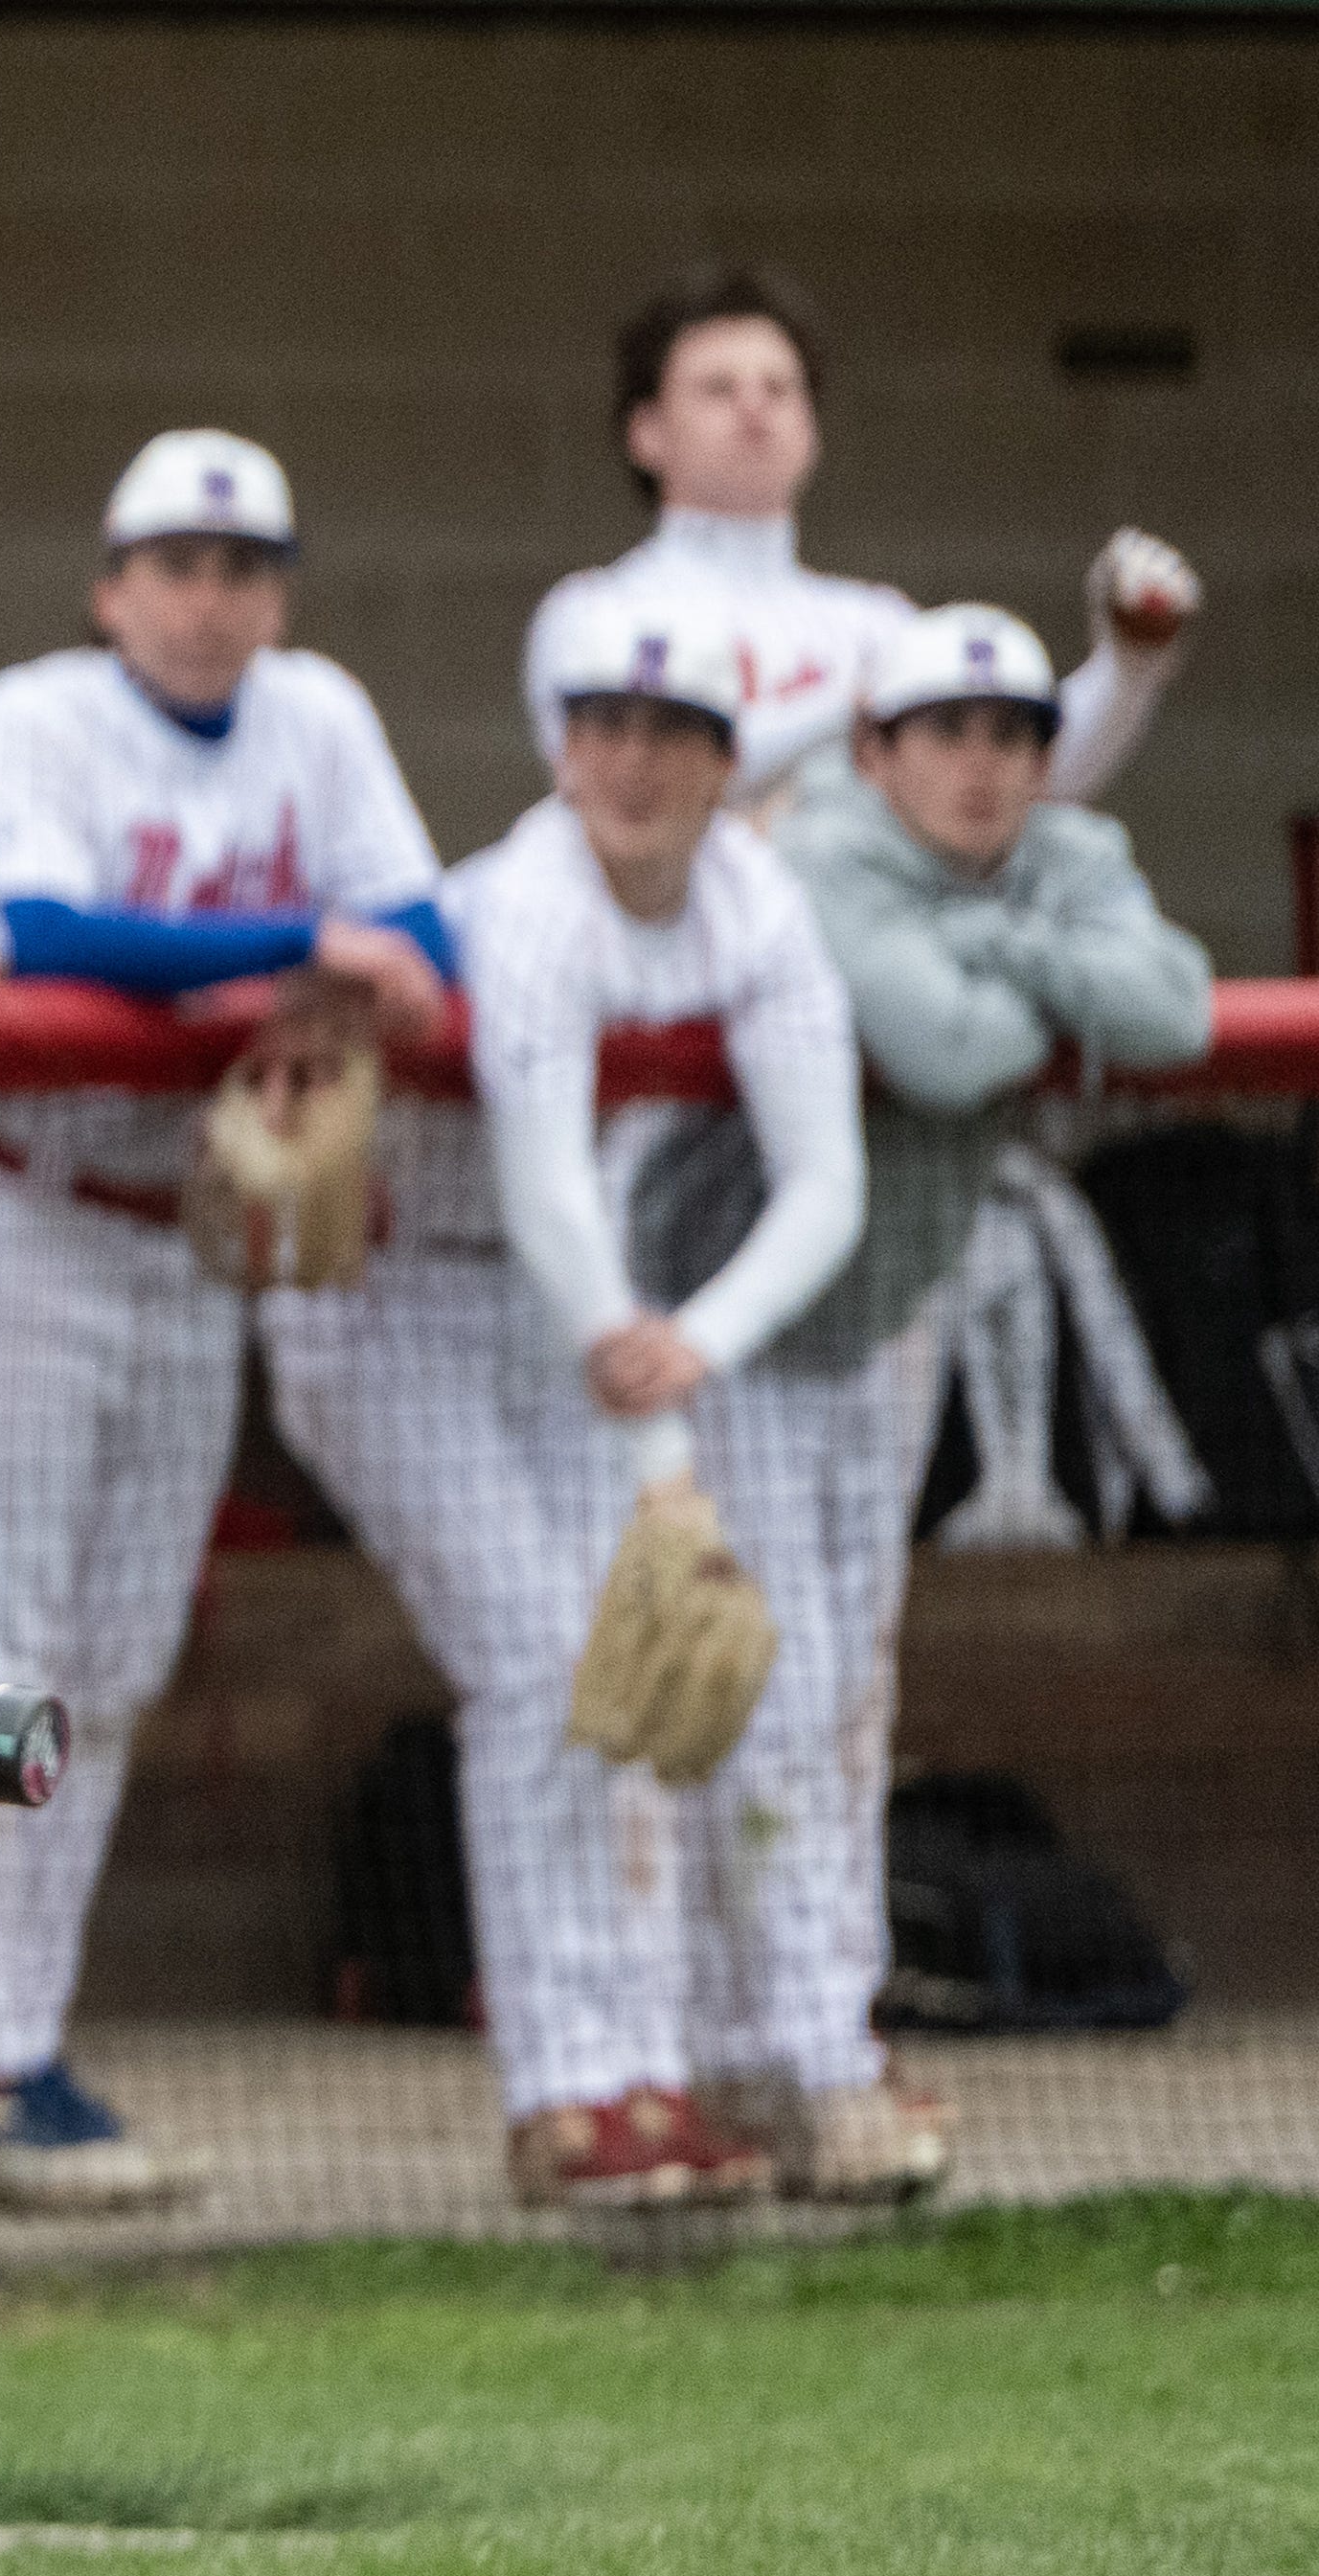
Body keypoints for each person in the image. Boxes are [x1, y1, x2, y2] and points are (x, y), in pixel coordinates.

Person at [0, 431, 450, 2216]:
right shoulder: (32, 722)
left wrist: (313, 963)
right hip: (8, 1215)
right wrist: (298, 953)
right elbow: (34, 931)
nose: (207, 600)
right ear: (107, 583)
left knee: (115, 1659)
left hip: (184, 1238)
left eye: (239, 569)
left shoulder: (319, 715)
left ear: (272, 592)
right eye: (172, 566)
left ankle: (27, 2042)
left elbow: (419, 919)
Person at [679, 603, 1211, 2195]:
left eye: (1010, 739)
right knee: (747, 1702)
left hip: (865, 1329)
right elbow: (938, 1045)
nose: (980, 770)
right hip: (705, 1327)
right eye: (943, 737)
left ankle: (795, 2045)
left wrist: (997, 942)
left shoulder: (1049, 855)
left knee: (839, 1705)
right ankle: (775, 2056)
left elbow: (1173, 1008)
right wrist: (1037, 976)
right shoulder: (816, 845)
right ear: (869, 749)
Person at [450, 592, 871, 2207]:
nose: (629, 762)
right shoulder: (530, 895)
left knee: (594, 1673)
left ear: (721, 764)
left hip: (567, 1308)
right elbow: (540, 1171)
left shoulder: (751, 896)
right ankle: (572, 2087)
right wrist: (654, 1418)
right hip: (412, 1288)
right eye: (601, 728)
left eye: (670, 735)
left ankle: (627, 2077)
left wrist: (686, 1342)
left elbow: (820, 1176)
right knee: (542, 1659)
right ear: (558, 745)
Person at [522, 263, 1199, 816]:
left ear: (812, 429)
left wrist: (1129, 667)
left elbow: (1027, 776)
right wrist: (855, 707)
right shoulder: (591, 613)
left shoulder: (872, 622)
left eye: (780, 388)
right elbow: (627, 791)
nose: (754, 407)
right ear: (645, 432)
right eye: (718, 389)